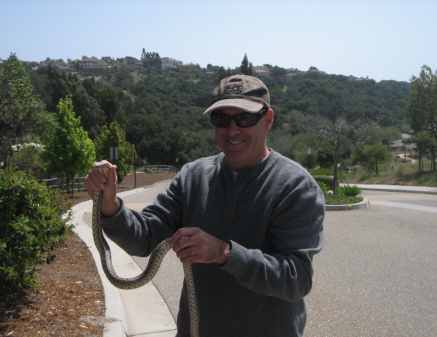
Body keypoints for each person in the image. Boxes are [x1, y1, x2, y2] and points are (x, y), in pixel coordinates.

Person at [85, 74, 325, 337]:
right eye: (222, 119)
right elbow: (146, 238)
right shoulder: (193, 177)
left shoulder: (295, 186)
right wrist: (110, 206)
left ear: (267, 120)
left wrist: (224, 253)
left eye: (244, 118)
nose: (232, 130)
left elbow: (296, 279)